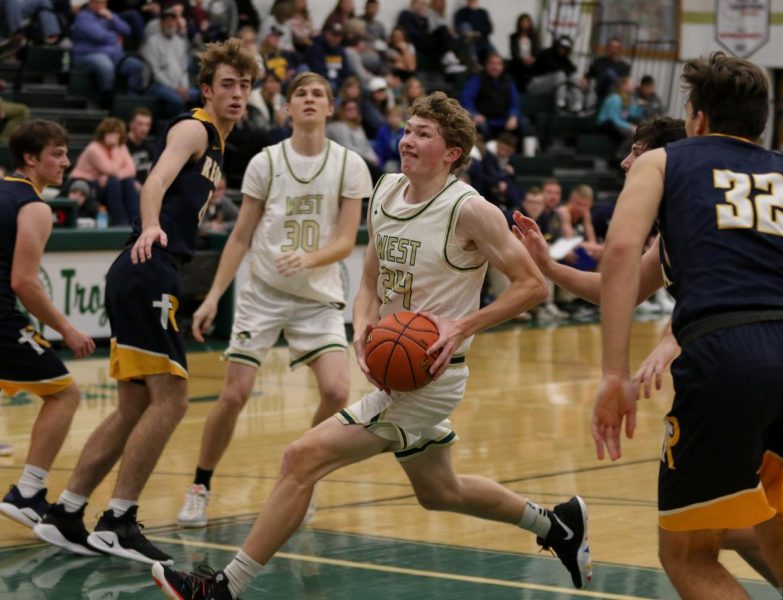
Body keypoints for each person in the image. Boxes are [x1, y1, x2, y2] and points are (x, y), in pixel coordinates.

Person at [151, 91, 592, 599]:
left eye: (423, 134)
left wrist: (462, 326)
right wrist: (361, 325)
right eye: (407, 129)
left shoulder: (470, 210)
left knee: (301, 459)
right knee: (439, 492)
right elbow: (370, 277)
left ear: (452, 153)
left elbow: (533, 285)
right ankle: (558, 526)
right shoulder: (384, 192)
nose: (407, 140)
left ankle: (225, 588)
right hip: (395, 367)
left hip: (432, 378)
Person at [512, 114, 783, 598]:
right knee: (753, 530)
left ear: (665, 157)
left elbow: (728, 287)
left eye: (635, 150)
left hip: (734, 367)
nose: (624, 160)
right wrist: (550, 266)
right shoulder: (680, 221)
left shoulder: (691, 205)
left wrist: (660, 346)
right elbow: (618, 287)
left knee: (689, 546)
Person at [591, 52, 783, 599]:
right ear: (761, 122)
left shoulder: (665, 162)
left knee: (686, 553)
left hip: (727, 355)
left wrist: (614, 373)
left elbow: (618, 254)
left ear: (699, 118)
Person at [33, 38, 260, 565]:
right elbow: (153, 179)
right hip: (147, 265)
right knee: (173, 399)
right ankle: (118, 521)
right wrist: (154, 224)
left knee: (135, 404)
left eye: (245, 85)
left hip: (145, 271)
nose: (237, 93)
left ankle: (66, 512)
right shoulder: (193, 128)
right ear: (207, 89)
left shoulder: (219, 149)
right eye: (227, 83)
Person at [176, 71, 372, 529]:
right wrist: (213, 297)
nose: (308, 99)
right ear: (286, 108)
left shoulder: (350, 164)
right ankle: (200, 486)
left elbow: (346, 241)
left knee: (338, 391)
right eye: (299, 94)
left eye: (318, 94)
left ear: (329, 108)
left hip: (318, 293)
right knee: (235, 394)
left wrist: (308, 259)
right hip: (263, 293)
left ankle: (303, 471)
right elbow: (241, 235)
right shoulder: (266, 162)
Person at [0, 120, 96, 531]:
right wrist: (68, 329)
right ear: (30, 158)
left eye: (65, 152)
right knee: (64, 395)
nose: (66, 162)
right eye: (56, 154)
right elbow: (24, 282)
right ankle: (28, 491)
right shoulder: (34, 207)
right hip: (1, 319)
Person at [67, 117, 140, 227]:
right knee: (114, 182)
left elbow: (132, 169)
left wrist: (113, 175)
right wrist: (115, 149)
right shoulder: (94, 148)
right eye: (110, 133)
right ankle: (121, 223)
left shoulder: (122, 147)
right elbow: (111, 170)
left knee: (128, 182)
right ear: (103, 134)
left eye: (117, 134)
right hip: (84, 182)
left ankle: (136, 223)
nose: (113, 137)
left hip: (103, 183)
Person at [126, 108, 154, 189]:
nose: (144, 128)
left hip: (146, 187)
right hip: (130, 187)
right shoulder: (122, 145)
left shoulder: (148, 146)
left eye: (147, 125)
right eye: (140, 124)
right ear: (131, 124)